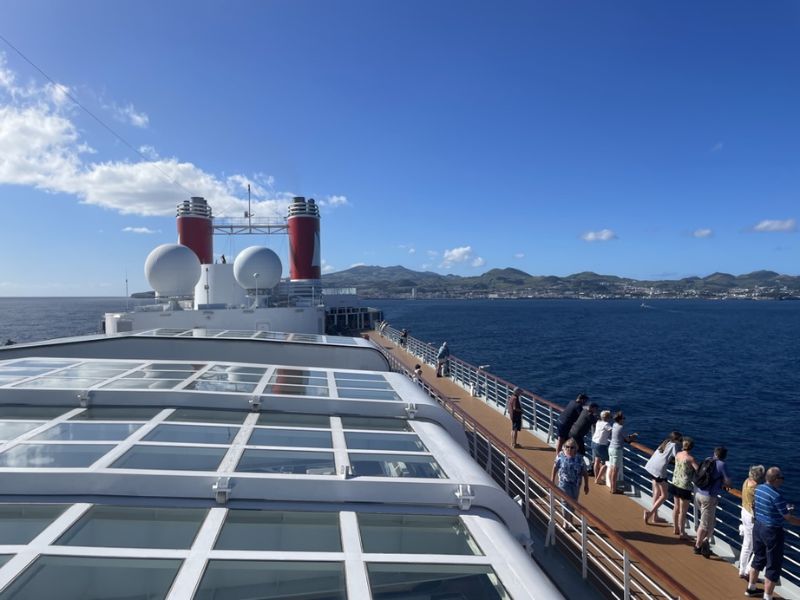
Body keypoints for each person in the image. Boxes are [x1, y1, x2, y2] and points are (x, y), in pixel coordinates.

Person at [746, 467, 800, 599]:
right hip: (772, 531)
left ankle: (751, 588)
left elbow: (757, 505)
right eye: (781, 478)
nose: (782, 480)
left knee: (758, 558)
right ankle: (767, 597)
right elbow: (788, 518)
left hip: (758, 527)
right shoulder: (777, 496)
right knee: (773, 565)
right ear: (775, 480)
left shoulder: (758, 489)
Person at [693, 446, 732, 558]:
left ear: (715, 453)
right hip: (709, 497)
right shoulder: (722, 464)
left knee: (711, 521)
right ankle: (697, 546)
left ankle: (706, 542)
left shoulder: (707, 459)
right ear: (724, 456)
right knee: (704, 524)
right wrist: (727, 485)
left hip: (698, 493)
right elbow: (728, 481)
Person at [643, 431, 682, 524]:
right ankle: (650, 513)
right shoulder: (674, 445)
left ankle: (655, 517)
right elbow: (678, 458)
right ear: (676, 440)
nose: (681, 442)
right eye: (680, 440)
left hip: (651, 466)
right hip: (659, 470)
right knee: (664, 495)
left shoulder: (666, 442)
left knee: (656, 493)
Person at [739, 464, 766, 579]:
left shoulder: (746, 481)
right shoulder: (757, 488)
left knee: (747, 544)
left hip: (744, 511)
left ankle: (742, 569)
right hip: (752, 517)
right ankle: (748, 570)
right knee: (756, 545)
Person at [669, 436, 699, 540]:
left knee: (676, 507)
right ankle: (682, 532)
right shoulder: (690, 458)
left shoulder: (677, 454)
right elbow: (699, 470)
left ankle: (675, 528)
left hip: (675, 482)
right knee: (683, 511)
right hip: (685, 486)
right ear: (691, 447)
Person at [607, 411, 638, 494]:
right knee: (615, 470)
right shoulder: (621, 427)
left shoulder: (614, 425)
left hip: (611, 448)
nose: (624, 420)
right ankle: (613, 489)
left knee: (611, 468)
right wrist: (633, 436)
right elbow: (627, 439)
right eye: (623, 418)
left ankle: (611, 486)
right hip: (617, 450)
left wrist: (629, 436)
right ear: (620, 419)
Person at [591, 410, 612, 484]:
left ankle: (596, 477)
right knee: (606, 462)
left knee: (596, 461)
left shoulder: (598, 422)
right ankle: (598, 479)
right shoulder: (607, 424)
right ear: (607, 417)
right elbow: (613, 432)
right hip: (601, 445)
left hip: (593, 443)